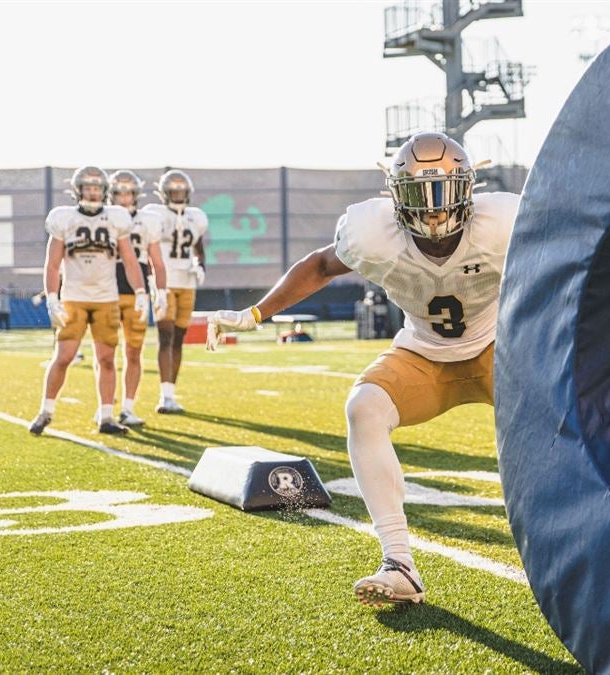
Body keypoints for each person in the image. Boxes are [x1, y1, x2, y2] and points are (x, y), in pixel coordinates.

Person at [207, 132, 518, 606]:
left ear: (468, 189)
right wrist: (255, 314)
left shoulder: (503, 222)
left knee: (568, 407)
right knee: (365, 407)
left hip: (502, 348)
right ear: (395, 196)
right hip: (425, 352)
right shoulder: (373, 233)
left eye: (445, 192)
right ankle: (399, 563)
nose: (433, 209)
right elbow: (319, 266)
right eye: (419, 194)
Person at [30, 166, 147, 435]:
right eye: (88, 187)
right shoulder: (64, 218)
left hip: (107, 298)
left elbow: (130, 260)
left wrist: (140, 291)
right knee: (64, 356)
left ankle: (106, 416)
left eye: (97, 187)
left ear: (104, 190)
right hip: (74, 297)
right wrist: (52, 297)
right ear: (78, 190)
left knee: (107, 358)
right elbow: (52, 264)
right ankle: (45, 411)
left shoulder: (116, 218)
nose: (93, 192)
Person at [142, 170, 208, 414]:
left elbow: (199, 247)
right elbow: (148, 246)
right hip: (163, 281)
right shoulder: (154, 214)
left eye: (181, 190)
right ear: (164, 193)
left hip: (187, 282)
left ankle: (171, 392)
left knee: (179, 338)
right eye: (174, 191)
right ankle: (164, 395)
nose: (178, 195)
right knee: (166, 336)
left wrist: (200, 265)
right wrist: (151, 277)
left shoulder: (196, 217)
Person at [109, 170, 169, 426]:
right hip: (106, 290)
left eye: (128, 191)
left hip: (137, 292)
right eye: (119, 191)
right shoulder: (102, 217)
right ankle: (104, 408)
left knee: (134, 352)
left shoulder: (148, 220)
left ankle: (128, 407)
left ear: (136, 194)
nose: (124, 196)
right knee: (106, 354)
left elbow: (157, 262)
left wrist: (162, 292)